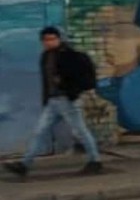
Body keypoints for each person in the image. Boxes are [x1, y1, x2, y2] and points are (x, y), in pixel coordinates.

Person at [3, 27, 102, 179]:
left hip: (67, 101)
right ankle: (24, 165)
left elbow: (81, 76)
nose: (49, 42)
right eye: (45, 39)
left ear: (59, 39)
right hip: (53, 102)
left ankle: (95, 161)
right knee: (39, 132)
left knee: (80, 131)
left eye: (52, 39)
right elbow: (46, 81)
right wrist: (46, 99)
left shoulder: (70, 56)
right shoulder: (45, 56)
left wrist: (71, 90)